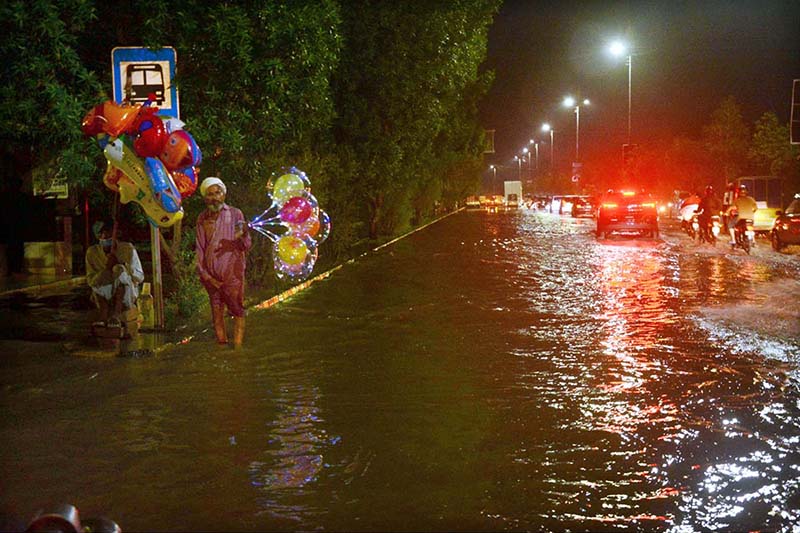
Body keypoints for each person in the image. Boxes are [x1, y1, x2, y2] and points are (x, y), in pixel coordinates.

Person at [196, 177, 252, 347]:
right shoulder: (202, 219)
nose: (215, 198)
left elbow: (246, 245)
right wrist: (206, 276)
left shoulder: (236, 214)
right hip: (211, 278)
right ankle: (222, 347)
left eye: (218, 193)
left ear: (224, 193)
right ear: (205, 198)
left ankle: (237, 350)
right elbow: (199, 249)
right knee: (216, 311)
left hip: (232, 276)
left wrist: (243, 235)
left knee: (237, 310)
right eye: (210, 194)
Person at [85, 220, 144, 326]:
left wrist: (124, 267)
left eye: (108, 233)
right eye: (102, 234)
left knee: (119, 270)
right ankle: (103, 316)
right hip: (105, 294)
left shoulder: (128, 249)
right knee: (97, 285)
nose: (105, 236)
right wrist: (107, 270)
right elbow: (91, 281)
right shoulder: (92, 252)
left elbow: (139, 277)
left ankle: (116, 315)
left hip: (127, 293)